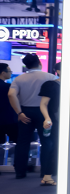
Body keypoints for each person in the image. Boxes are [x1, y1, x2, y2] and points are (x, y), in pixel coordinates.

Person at [8, 53, 56, 181]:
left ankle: (20, 172)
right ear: (39, 63)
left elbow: (11, 95)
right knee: (47, 142)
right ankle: (45, 172)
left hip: (25, 112)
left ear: (26, 65)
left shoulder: (19, 79)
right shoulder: (50, 77)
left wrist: (19, 113)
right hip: (44, 113)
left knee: (23, 142)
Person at [39, 62, 61, 186]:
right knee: (55, 146)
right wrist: (47, 118)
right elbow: (43, 104)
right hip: (57, 120)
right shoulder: (51, 85)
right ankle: (47, 176)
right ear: (58, 71)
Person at [0, 63, 18, 147]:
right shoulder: (8, 87)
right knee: (19, 141)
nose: (11, 73)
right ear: (3, 73)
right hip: (8, 119)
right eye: (10, 71)